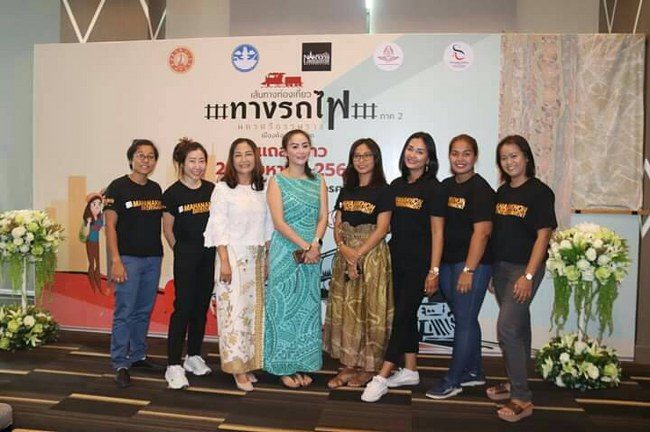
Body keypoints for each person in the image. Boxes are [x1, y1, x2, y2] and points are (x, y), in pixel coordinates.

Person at [361, 131, 446, 403]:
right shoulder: (396, 185)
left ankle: (382, 376)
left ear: (429, 158)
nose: (413, 155)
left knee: (401, 316)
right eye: (410, 149)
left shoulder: (434, 188)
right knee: (405, 315)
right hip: (394, 259)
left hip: (420, 264)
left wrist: (434, 270)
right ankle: (410, 370)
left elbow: (438, 233)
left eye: (420, 151)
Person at [487, 135, 557, 422]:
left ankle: (522, 398)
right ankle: (517, 381)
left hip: (524, 269)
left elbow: (544, 235)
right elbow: (499, 234)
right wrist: (491, 271)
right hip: (501, 268)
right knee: (519, 327)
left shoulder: (540, 192)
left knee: (506, 328)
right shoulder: (502, 192)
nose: (509, 162)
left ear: (526, 157)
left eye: (514, 156)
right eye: (504, 158)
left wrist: (528, 275)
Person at [425, 134, 495, 399]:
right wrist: (435, 269)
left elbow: (482, 233)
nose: (460, 159)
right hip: (447, 263)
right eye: (455, 153)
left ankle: (453, 379)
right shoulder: (445, 187)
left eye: (466, 153)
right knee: (464, 317)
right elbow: (438, 230)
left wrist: (469, 270)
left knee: (464, 320)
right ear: (449, 156)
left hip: (473, 265)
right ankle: (474, 371)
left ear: (475, 156)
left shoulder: (481, 189)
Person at [323, 138, 393, 389]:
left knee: (369, 311)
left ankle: (369, 368)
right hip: (346, 256)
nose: (361, 160)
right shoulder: (347, 190)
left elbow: (382, 229)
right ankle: (349, 365)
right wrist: (343, 248)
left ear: (376, 159)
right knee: (348, 313)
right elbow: (338, 224)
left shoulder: (384, 190)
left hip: (371, 257)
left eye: (366, 155)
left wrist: (358, 254)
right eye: (357, 156)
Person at [204, 138, 272, 392]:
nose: (244, 159)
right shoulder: (223, 189)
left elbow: (268, 226)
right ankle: (236, 368)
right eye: (238, 155)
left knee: (251, 315)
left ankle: (248, 363)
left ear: (256, 157)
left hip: (256, 258)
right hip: (232, 258)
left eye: (248, 154)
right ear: (231, 160)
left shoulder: (263, 187)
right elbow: (218, 227)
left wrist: (267, 258)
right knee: (233, 314)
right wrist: (224, 261)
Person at [264, 129, 328, 388]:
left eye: (304, 145)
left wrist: (316, 243)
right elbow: (278, 223)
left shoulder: (318, 180)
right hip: (285, 254)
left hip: (310, 257)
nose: (300, 151)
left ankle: (301, 364)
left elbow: (323, 217)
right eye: (294, 146)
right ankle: (282, 367)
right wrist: (306, 246)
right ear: (285, 151)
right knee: (283, 310)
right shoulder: (276, 181)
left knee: (306, 310)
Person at [104, 139, 164, 388]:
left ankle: (138, 355)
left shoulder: (156, 189)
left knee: (143, 310)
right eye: (141, 155)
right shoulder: (117, 187)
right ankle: (120, 362)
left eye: (150, 156)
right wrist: (115, 260)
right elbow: (109, 226)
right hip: (127, 259)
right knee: (125, 311)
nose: (145, 160)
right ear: (131, 159)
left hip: (153, 258)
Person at [162, 138, 215, 389]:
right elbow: (168, 230)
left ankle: (193, 356)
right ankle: (173, 365)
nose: (197, 166)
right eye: (192, 161)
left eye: (201, 161)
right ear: (181, 164)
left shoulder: (212, 189)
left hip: (208, 257)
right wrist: (183, 253)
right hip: (185, 257)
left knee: (200, 307)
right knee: (182, 308)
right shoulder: (172, 194)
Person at [80, 193, 104, 294]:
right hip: (89, 242)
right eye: (94, 204)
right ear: (89, 206)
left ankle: (99, 286)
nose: (97, 206)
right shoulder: (87, 220)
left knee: (98, 264)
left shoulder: (100, 217)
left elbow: (101, 226)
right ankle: (93, 287)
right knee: (91, 263)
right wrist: (89, 224)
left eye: (99, 204)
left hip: (96, 242)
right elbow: (84, 234)